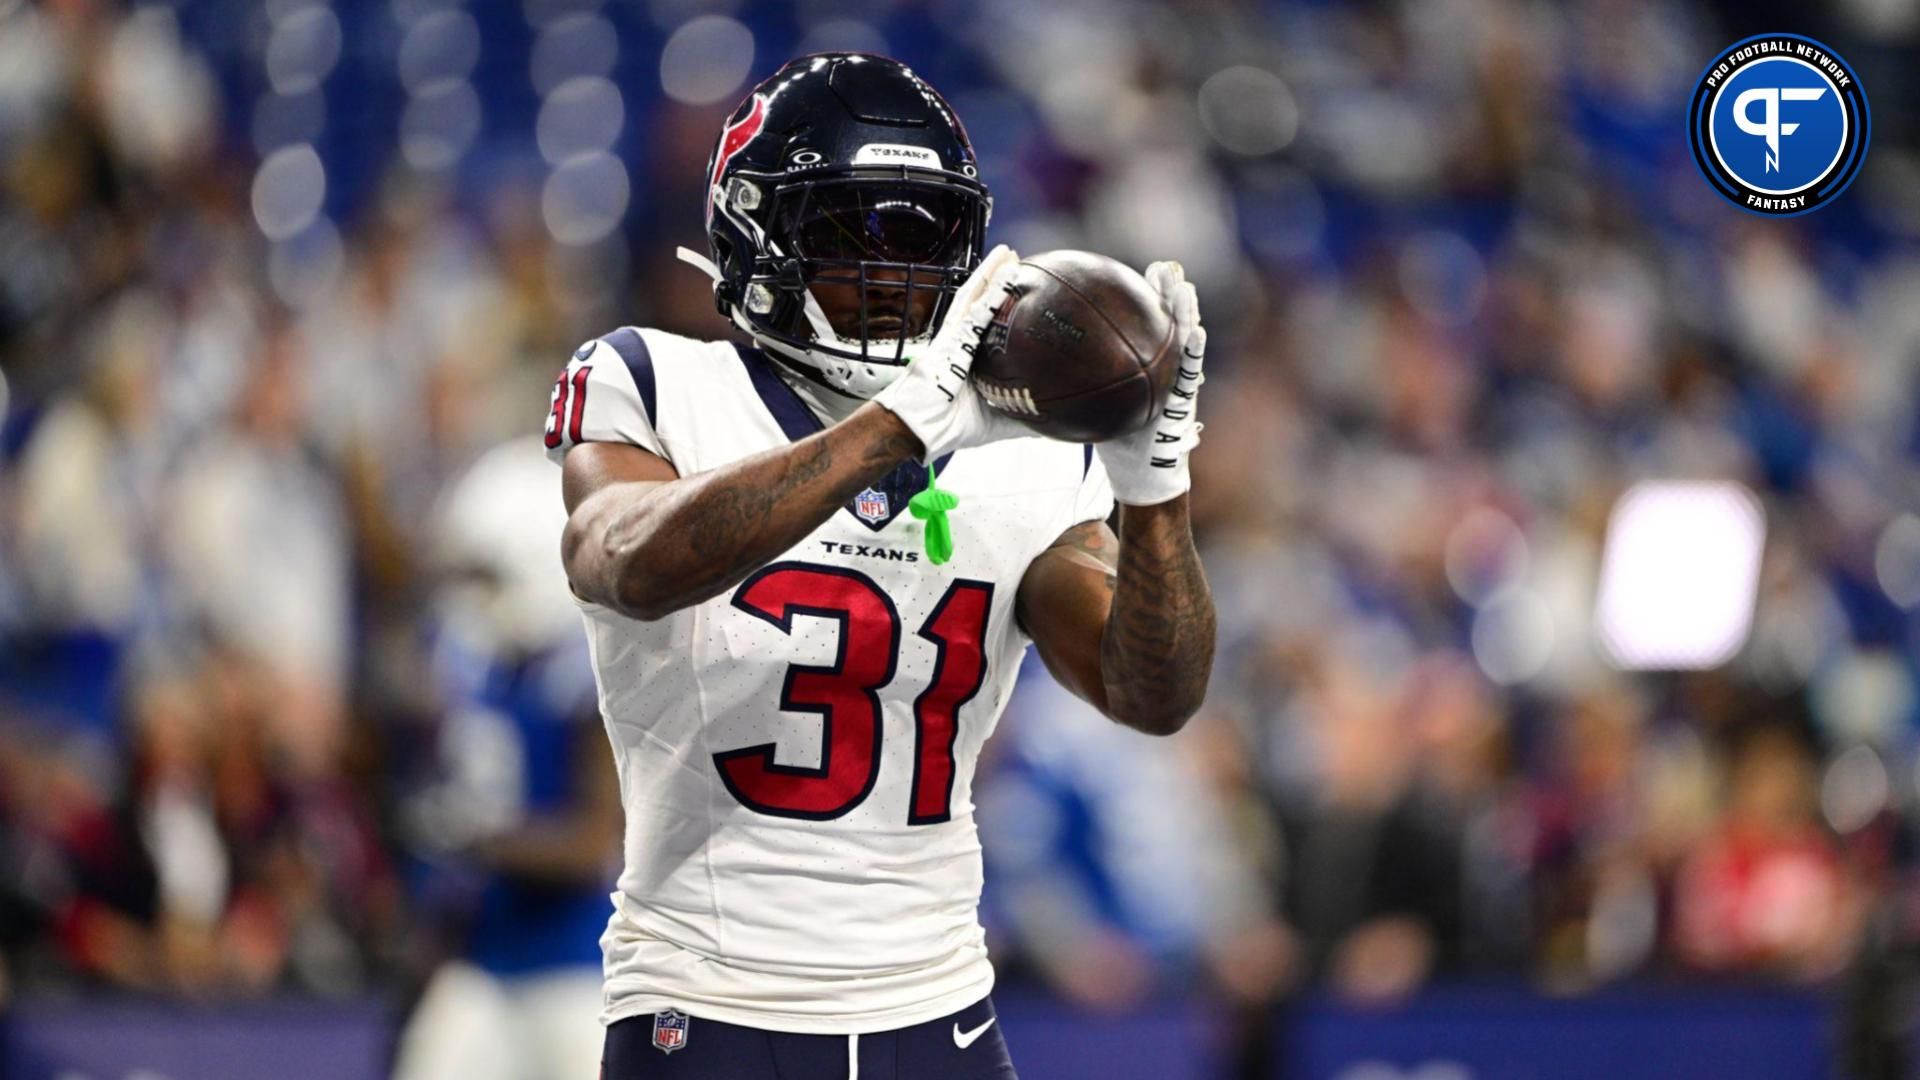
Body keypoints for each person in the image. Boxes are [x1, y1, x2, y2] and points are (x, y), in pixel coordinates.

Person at [545, 53, 1215, 1079]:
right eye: (853, 231)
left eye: (923, 234)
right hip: (714, 1002)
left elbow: (1150, 689)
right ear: (760, 238)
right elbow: (625, 558)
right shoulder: (650, 378)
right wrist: (890, 431)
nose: (895, 274)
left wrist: (1154, 489)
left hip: (938, 1007)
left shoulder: (1022, 450)